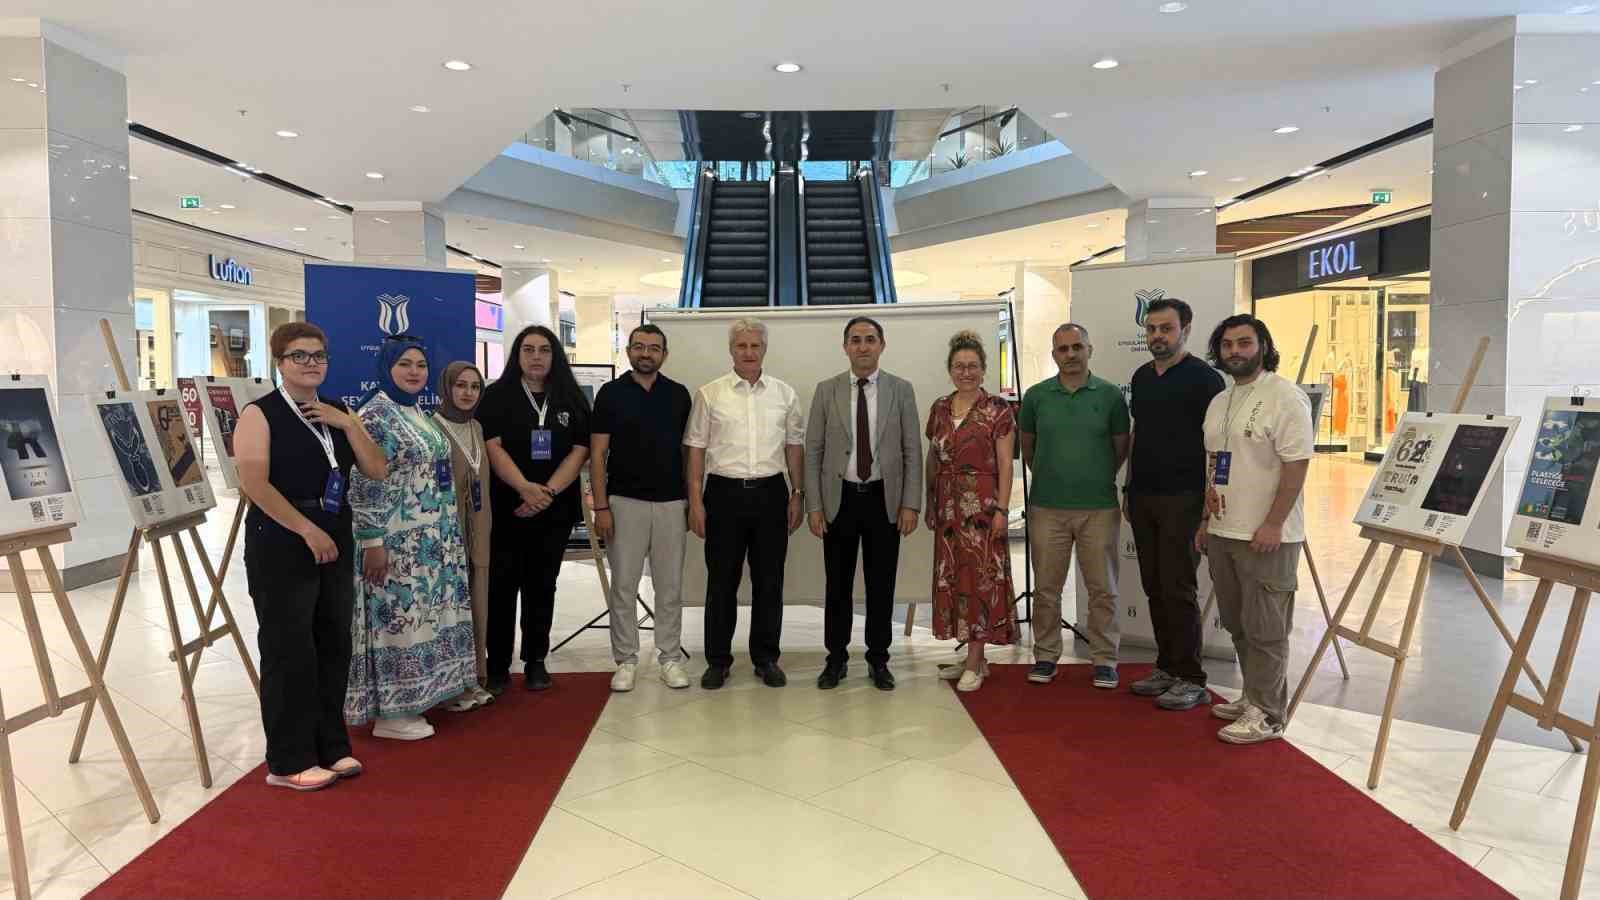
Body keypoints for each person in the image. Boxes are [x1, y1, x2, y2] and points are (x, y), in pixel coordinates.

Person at [236, 322, 387, 791]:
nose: (311, 363)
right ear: (280, 362)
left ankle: (331, 746)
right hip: (283, 536)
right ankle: (288, 760)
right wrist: (305, 529)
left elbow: (377, 469)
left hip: (334, 529)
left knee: (333, 642)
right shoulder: (259, 413)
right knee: (289, 648)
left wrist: (350, 424)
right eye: (299, 355)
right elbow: (254, 483)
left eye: (318, 355)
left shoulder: (337, 410)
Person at [345, 336, 477, 740]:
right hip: (396, 543)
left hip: (431, 543)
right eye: (404, 364)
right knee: (401, 620)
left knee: (426, 620)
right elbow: (365, 481)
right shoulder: (374, 416)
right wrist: (372, 542)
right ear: (387, 367)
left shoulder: (415, 409)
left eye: (420, 364)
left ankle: (429, 692)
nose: (414, 371)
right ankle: (393, 714)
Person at [1197, 314, 1313, 745]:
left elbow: (1296, 466)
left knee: (1267, 628)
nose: (1235, 351)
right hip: (1224, 530)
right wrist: (1206, 519)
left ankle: (1268, 714)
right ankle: (1252, 696)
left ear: (1262, 346)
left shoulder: (1285, 397)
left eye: (1244, 343)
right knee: (1239, 623)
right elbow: (1215, 463)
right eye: (1227, 344)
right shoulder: (1220, 400)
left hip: (1267, 536)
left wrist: (1274, 523)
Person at [685, 317, 805, 690]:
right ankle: (718, 661)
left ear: (764, 349)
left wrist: (798, 493)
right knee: (721, 581)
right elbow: (696, 450)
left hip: (771, 494)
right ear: (731, 350)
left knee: (769, 580)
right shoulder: (710, 394)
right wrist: (695, 501)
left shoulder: (785, 394)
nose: (748, 352)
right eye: (742, 346)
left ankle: (766, 658)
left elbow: (794, 447)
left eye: (755, 345)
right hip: (723, 494)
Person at [804, 316, 922, 692]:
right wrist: (814, 506)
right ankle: (836, 658)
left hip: (884, 501)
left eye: (870, 339)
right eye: (855, 340)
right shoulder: (827, 390)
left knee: (881, 585)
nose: (863, 346)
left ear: (882, 345)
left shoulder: (901, 390)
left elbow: (912, 450)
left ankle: (878, 659)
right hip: (839, 500)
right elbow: (813, 451)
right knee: (837, 585)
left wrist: (910, 504)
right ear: (845, 347)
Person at [477, 325, 592, 693]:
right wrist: (525, 489)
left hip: (554, 509)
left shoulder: (571, 398)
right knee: (501, 585)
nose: (536, 357)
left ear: (555, 355)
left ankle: (536, 660)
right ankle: (497, 664)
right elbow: (492, 446)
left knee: (542, 585)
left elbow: (580, 450)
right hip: (507, 507)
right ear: (518, 355)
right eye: (528, 349)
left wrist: (547, 493)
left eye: (544, 349)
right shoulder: (496, 396)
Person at [1125, 298, 1226, 710]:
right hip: (1143, 496)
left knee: (1179, 587)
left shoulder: (1205, 379)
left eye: (1165, 328)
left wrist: (1206, 506)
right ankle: (1166, 667)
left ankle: (1191, 677)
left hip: (1184, 499)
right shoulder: (1141, 377)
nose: (1157, 336)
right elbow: (1138, 434)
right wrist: (1128, 487)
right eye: (1151, 329)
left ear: (1185, 328)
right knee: (1154, 586)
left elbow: (1217, 446)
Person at [1019, 324, 1130, 689]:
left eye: (1077, 347)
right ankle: (1046, 655)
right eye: (1062, 349)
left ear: (1089, 350)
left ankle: (1105, 659)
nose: (1070, 354)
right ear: (1054, 354)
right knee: (1046, 589)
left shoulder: (1111, 396)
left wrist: (1092, 476)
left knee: (1103, 589)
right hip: (1047, 508)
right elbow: (1029, 449)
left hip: (1098, 508)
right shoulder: (1036, 397)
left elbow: (1120, 449)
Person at [590, 324, 694, 692]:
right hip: (624, 503)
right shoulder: (610, 394)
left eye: (653, 348)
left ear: (664, 354)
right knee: (623, 585)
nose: (646, 353)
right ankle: (626, 660)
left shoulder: (679, 395)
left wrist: (691, 500)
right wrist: (601, 506)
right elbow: (598, 454)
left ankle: (670, 658)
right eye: (639, 346)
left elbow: (688, 454)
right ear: (629, 351)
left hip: (671, 503)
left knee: (670, 587)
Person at [927, 330, 1016, 692]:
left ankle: (976, 662)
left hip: (983, 507)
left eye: (973, 366)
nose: (966, 372)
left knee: (980, 580)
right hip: (947, 507)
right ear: (950, 369)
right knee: (955, 580)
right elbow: (933, 458)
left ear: (983, 369)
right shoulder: (939, 408)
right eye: (959, 366)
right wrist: (931, 501)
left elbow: (1006, 464)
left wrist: (1003, 510)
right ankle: (971, 657)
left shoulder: (998, 409)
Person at [433, 362, 496, 712]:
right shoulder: (432, 428)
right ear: (446, 388)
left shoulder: (476, 426)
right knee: (450, 609)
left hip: (478, 529)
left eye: (474, 386)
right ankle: (450, 685)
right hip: (447, 534)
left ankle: (474, 677)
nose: (468, 392)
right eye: (460, 385)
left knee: (477, 601)